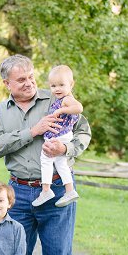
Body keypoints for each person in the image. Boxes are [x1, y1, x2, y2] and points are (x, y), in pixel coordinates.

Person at [0, 54, 91, 255]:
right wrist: (33, 131)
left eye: (32, 76)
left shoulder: (56, 99)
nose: (30, 82)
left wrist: (66, 151)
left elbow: (83, 131)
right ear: (6, 83)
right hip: (17, 194)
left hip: (57, 189)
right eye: (21, 79)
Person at [32, 65, 84, 207]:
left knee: (46, 159)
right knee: (61, 163)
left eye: (62, 85)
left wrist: (61, 109)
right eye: (53, 86)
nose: (57, 89)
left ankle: (46, 190)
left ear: (71, 84)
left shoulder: (66, 100)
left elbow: (79, 108)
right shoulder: (61, 99)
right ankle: (70, 190)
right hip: (62, 135)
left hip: (60, 136)